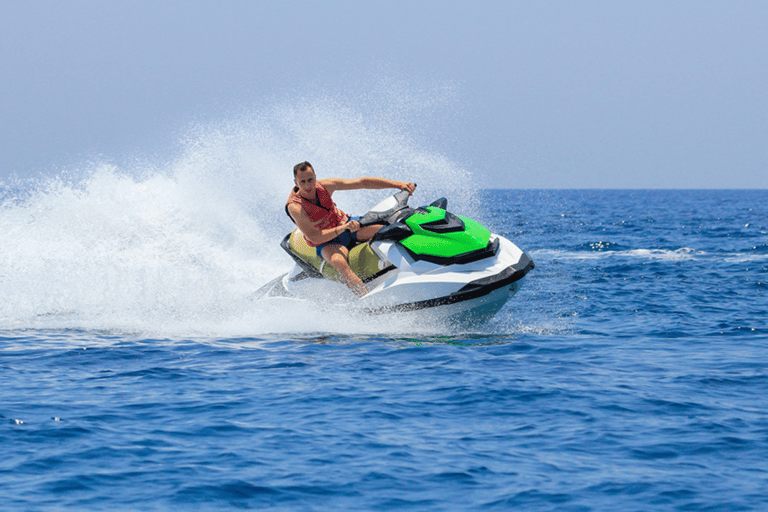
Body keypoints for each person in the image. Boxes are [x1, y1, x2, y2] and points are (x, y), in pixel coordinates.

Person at [286, 161, 415, 297]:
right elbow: (315, 237)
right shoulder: (295, 207)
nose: (307, 185)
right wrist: (342, 228)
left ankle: (419, 264)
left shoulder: (326, 185)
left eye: (310, 179)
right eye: (303, 182)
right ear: (296, 182)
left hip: (348, 227)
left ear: (315, 177)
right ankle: (366, 299)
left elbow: (362, 182)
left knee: (391, 229)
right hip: (328, 242)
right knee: (338, 262)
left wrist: (398, 185)